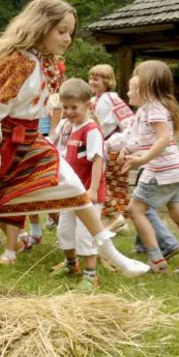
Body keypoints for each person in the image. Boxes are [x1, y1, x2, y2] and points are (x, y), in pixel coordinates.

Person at [0, 0, 150, 297]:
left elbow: (40, 107)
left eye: (70, 32)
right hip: (9, 142)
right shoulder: (20, 62)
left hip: (34, 139)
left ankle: (111, 253)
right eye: (61, 31)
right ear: (41, 27)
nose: (67, 38)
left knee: (76, 189)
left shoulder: (50, 64)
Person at [121, 60, 179, 274]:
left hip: (159, 171)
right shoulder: (153, 108)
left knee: (135, 210)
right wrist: (134, 152)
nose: (128, 90)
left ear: (148, 86)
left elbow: (163, 139)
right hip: (174, 170)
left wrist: (142, 160)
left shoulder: (153, 108)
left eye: (134, 84)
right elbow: (154, 142)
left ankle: (157, 261)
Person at [50, 79, 107, 291]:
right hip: (70, 192)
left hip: (87, 194)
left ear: (87, 105)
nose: (69, 111)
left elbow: (97, 159)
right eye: (65, 107)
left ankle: (91, 275)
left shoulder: (90, 130)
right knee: (64, 230)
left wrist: (92, 189)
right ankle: (71, 264)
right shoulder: (67, 126)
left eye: (74, 107)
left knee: (85, 234)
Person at [88, 64, 133, 231]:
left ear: (107, 81)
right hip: (100, 147)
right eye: (91, 78)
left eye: (96, 79)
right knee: (107, 185)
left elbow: (130, 124)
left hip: (112, 149)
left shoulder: (112, 99)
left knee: (103, 184)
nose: (92, 82)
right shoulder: (93, 101)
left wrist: (117, 143)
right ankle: (117, 221)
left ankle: (116, 218)